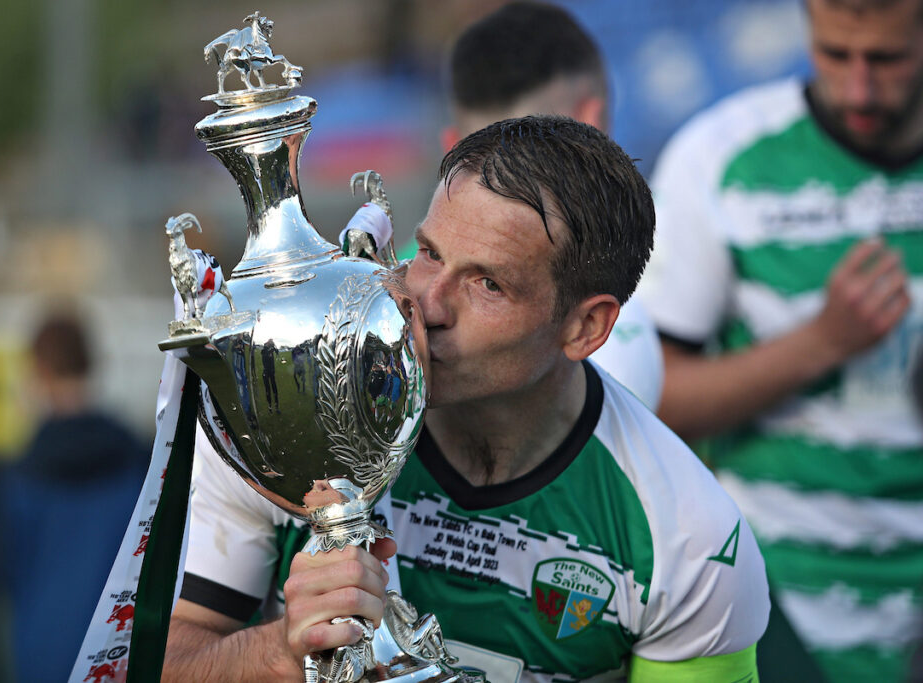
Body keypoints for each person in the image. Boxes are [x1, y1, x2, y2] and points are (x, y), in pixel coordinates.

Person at [163, 116, 770, 681]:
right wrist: (278, 651)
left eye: (488, 284)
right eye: (428, 253)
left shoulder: (690, 539)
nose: (427, 303)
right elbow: (158, 662)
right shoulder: (287, 421)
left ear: (586, 328)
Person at [634, 0, 923, 679]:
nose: (858, 86)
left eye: (886, 59)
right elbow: (647, 396)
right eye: (832, 53)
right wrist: (821, 342)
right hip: (773, 606)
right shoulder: (720, 156)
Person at [433, 1, 663, 410]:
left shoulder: (393, 285)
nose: (436, 307)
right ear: (592, 122)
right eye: (432, 255)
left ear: (451, 148)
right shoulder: (656, 271)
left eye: (490, 286)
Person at [0, 310, 148, 683]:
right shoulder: (142, 461)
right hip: (120, 658)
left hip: (41, 656)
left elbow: (3, 574)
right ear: (91, 364)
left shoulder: (19, 476)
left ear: (39, 371)